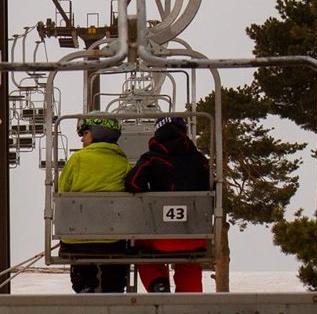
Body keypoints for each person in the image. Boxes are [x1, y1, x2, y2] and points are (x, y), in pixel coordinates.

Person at [126, 115, 213, 293]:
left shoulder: (151, 158)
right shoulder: (200, 160)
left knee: (142, 248)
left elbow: (133, 183)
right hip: (194, 236)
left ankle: (157, 283)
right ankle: (190, 297)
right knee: (190, 261)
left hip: (160, 237)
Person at [56, 116, 132, 294]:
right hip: (112, 239)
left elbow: (62, 189)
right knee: (114, 263)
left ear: (97, 134)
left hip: (76, 239)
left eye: (85, 133)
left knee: (82, 252)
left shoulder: (77, 159)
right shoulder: (122, 163)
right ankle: (113, 288)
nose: (82, 139)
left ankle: (84, 285)